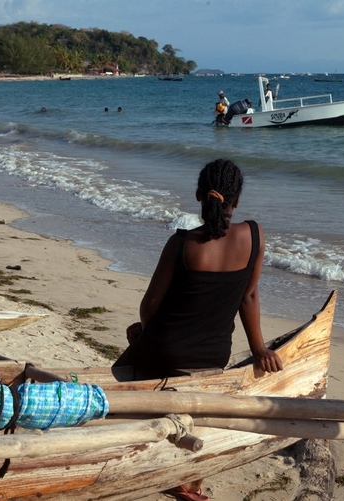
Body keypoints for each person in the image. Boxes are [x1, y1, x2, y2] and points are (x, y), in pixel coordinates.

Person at [113, 158, 283, 501]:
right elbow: (248, 296)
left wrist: (146, 333)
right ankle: (191, 480)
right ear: (236, 202)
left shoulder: (182, 244)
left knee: (132, 354)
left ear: (198, 196)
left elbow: (150, 305)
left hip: (167, 352)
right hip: (212, 357)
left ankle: (165, 455)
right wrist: (259, 349)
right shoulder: (254, 235)